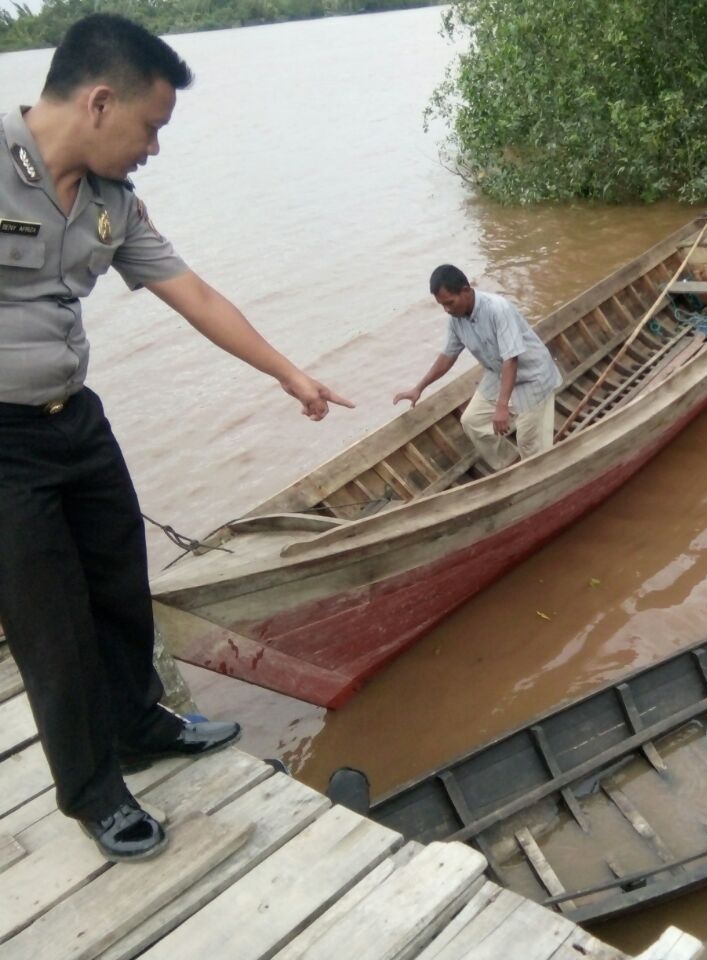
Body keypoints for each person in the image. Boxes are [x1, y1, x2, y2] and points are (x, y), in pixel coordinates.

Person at [0, 15, 353, 862]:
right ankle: (92, 791)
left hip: (74, 421)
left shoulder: (114, 204)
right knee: (50, 623)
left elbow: (191, 292)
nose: (154, 146)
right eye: (151, 126)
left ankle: (138, 724)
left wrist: (288, 373)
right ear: (98, 101)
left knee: (121, 584)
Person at [393, 264, 562, 468]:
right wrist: (419, 388)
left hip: (532, 376)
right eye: (442, 305)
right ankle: (510, 465)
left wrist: (502, 407)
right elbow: (447, 356)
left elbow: (511, 359)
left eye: (449, 302)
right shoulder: (456, 319)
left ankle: (536, 468)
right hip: (499, 374)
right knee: (472, 422)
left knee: (529, 442)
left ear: (465, 290)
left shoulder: (498, 309)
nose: (446, 309)